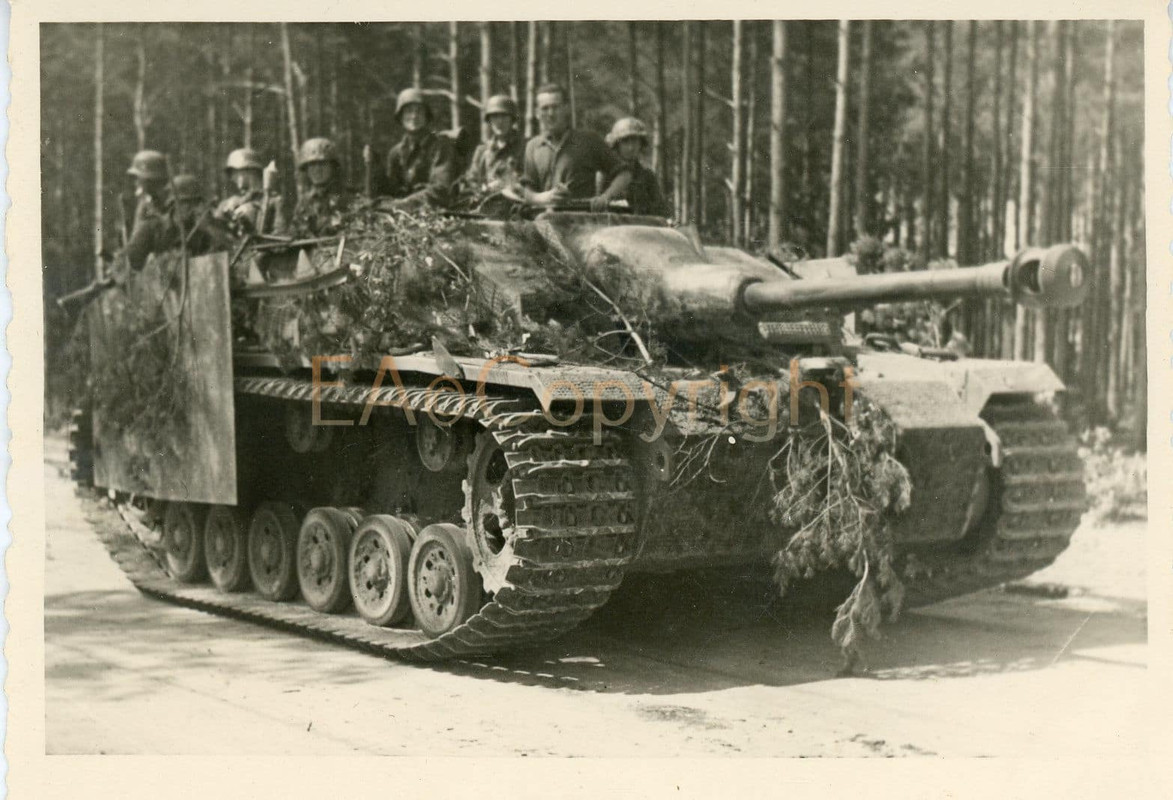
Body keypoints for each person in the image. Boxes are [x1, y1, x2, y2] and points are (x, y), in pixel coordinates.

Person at [518, 84, 631, 211]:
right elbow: (527, 191)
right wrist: (544, 197)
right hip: (543, 222)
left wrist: (605, 197)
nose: (550, 113)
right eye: (545, 108)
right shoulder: (533, 146)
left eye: (556, 107)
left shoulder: (588, 140)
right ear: (537, 113)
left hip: (581, 221)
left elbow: (624, 174)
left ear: (566, 108)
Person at [125, 174, 227, 271]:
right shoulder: (151, 229)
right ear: (173, 204)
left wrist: (209, 228)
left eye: (196, 203)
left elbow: (225, 255)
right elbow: (132, 263)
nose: (192, 208)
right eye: (186, 202)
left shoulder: (203, 229)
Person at [382, 88, 457, 209]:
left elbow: (442, 189)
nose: (414, 116)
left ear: (426, 116)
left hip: (434, 214)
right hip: (401, 215)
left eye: (419, 111)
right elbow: (390, 191)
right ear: (401, 116)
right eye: (408, 111)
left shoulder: (441, 146)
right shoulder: (396, 152)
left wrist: (405, 203)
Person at [214, 147, 286, 236]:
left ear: (249, 170)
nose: (232, 178)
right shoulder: (232, 202)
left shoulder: (273, 201)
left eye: (235, 172)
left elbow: (280, 237)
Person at [288, 137, 352, 237]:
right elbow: (294, 233)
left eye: (322, 164)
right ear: (307, 169)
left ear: (332, 167)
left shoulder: (346, 198)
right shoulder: (304, 202)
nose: (317, 170)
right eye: (312, 165)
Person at [605, 117, 669, 217]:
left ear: (641, 144)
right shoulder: (606, 174)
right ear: (617, 145)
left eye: (635, 141)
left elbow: (660, 212)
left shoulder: (647, 175)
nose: (631, 147)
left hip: (641, 228)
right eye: (625, 142)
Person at [464, 94, 525, 195]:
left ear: (512, 119)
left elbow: (531, 179)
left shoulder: (525, 147)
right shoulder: (482, 150)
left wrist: (506, 184)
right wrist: (482, 188)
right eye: (495, 116)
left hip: (518, 203)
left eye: (504, 116)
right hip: (487, 203)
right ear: (489, 120)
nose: (500, 121)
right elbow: (472, 180)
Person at [126, 149, 171, 234]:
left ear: (152, 180)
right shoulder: (145, 201)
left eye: (139, 178)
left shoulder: (166, 204)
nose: (136, 183)